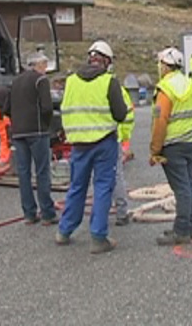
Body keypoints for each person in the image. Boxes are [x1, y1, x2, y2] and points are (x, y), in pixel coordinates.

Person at [56, 40, 128, 254]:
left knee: (77, 186)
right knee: (103, 187)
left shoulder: (71, 81)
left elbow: (64, 109)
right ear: (106, 61)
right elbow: (120, 114)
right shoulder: (108, 82)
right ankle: (98, 237)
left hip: (78, 144)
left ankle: (64, 230)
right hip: (104, 142)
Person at [149, 47, 192, 246]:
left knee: (181, 189)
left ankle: (181, 231)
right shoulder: (191, 85)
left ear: (165, 65)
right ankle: (190, 226)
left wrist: (155, 149)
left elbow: (160, 121)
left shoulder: (166, 88)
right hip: (190, 142)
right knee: (188, 184)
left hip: (173, 144)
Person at [4, 54, 58, 226]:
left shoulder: (15, 82)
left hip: (18, 133)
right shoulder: (40, 80)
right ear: (39, 65)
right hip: (37, 131)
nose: (45, 69)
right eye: (44, 65)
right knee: (42, 171)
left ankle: (29, 213)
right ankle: (47, 213)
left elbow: (6, 108)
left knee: (24, 173)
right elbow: (47, 107)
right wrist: (48, 125)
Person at [114, 71, 136, 227]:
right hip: (113, 138)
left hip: (84, 143)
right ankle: (121, 213)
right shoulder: (116, 89)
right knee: (116, 175)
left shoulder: (77, 83)